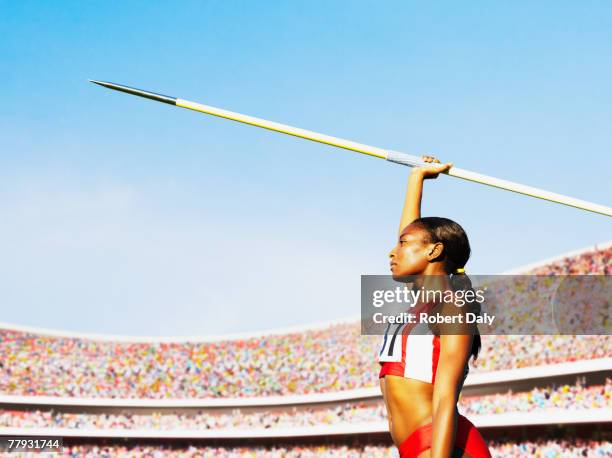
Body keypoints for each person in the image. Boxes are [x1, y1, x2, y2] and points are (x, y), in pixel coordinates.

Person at [378, 156, 492, 458]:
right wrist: (417, 178)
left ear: (434, 250)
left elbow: (444, 401)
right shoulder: (423, 301)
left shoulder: (453, 308)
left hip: (444, 448)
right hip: (416, 446)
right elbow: (413, 233)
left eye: (402, 244)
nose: (392, 251)